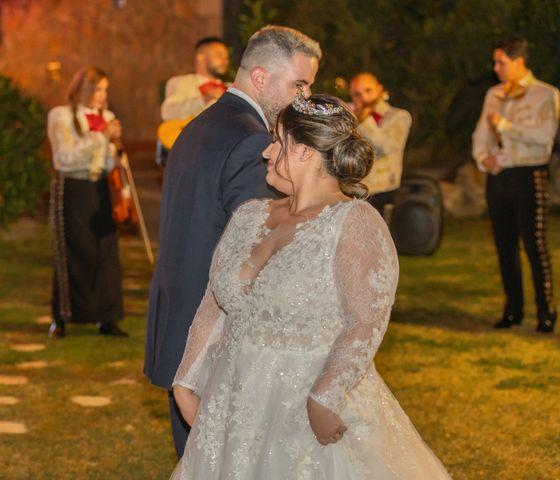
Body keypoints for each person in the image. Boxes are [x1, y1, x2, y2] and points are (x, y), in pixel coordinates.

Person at [170, 93, 451, 479]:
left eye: (277, 142)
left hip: (304, 406)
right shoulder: (249, 215)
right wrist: (185, 382)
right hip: (234, 402)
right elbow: (213, 304)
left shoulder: (354, 222)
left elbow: (365, 319)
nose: (267, 153)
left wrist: (324, 397)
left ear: (303, 152)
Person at [145, 26, 321, 457]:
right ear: (260, 78)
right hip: (214, 338)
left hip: (178, 324)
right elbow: (254, 253)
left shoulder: (200, 125)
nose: (304, 98)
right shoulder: (253, 141)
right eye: (298, 84)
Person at [472, 37, 559, 333]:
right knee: (504, 245)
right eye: (495, 62)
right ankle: (513, 310)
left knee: (534, 244)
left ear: (519, 60)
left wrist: (506, 126)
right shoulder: (494, 94)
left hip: (528, 173)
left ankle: (546, 312)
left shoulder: (545, 94)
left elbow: (545, 137)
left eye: (501, 62)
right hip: (499, 176)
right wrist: (484, 159)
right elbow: (480, 133)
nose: (496, 68)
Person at [47, 67, 128, 338]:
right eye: (98, 89)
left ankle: (107, 318)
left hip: (100, 187)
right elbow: (65, 157)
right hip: (71, 187)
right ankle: (62, 318)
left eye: (105, 89)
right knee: (71, 251)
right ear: (83, 88)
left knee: (105, 252)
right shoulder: (61, 116)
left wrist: (114, 150)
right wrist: (99, 138)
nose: (103, 95)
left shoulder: (107, 117)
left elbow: (105, 161)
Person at [156, 37, 230, 166]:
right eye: (219, 55)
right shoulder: (181, 82)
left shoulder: (232, 88)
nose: (225, 61)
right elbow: (167, 112)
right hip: (189, 157)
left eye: (226, 57)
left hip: (222, 156)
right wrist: (203, 99)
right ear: (200, 57)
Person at [349, 72, 411, 220]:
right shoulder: (348, 116)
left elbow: (385, 147)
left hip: (383, 190)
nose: (363, 98)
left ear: (379, 89)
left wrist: (364, 120)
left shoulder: (399, 116)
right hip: (353, 189)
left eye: (368, 91)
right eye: (357, 94)